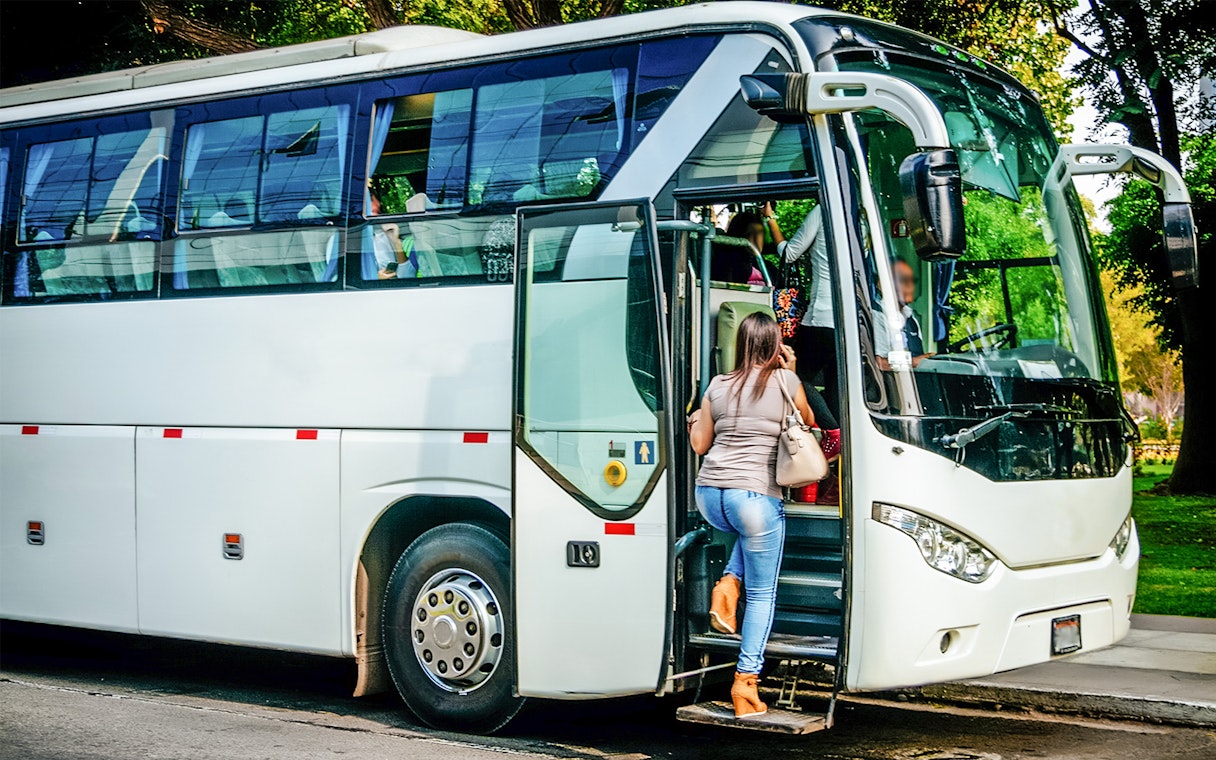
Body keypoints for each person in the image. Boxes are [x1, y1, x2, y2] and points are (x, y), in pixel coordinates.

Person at [687, 311, 814, 718]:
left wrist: (694, 418)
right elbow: (809, 423)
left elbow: (700, 444)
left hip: (710, 496)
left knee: (747, 532)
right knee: (762, 596)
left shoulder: (718, 386)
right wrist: (791, 371)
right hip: (755, 499)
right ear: (776, 346)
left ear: (740, 345)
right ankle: (745, 683)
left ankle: (727, 581)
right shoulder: (786, 382)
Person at [768, 202, 840, 419]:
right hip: (848, 319)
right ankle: (841, 438)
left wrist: (770, 218)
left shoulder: (824, 209)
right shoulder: (859, 213)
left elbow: (789, 254)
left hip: (822, 315)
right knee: (836, 383)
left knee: (795, 376)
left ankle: (831, 431)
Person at [874, 259, 935, 369]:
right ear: (882, 284)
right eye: (903, 280)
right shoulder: (877, 315)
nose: (910, 285)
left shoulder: (911, 318)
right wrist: (915, 362)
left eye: (912, 281)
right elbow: (878, 364)